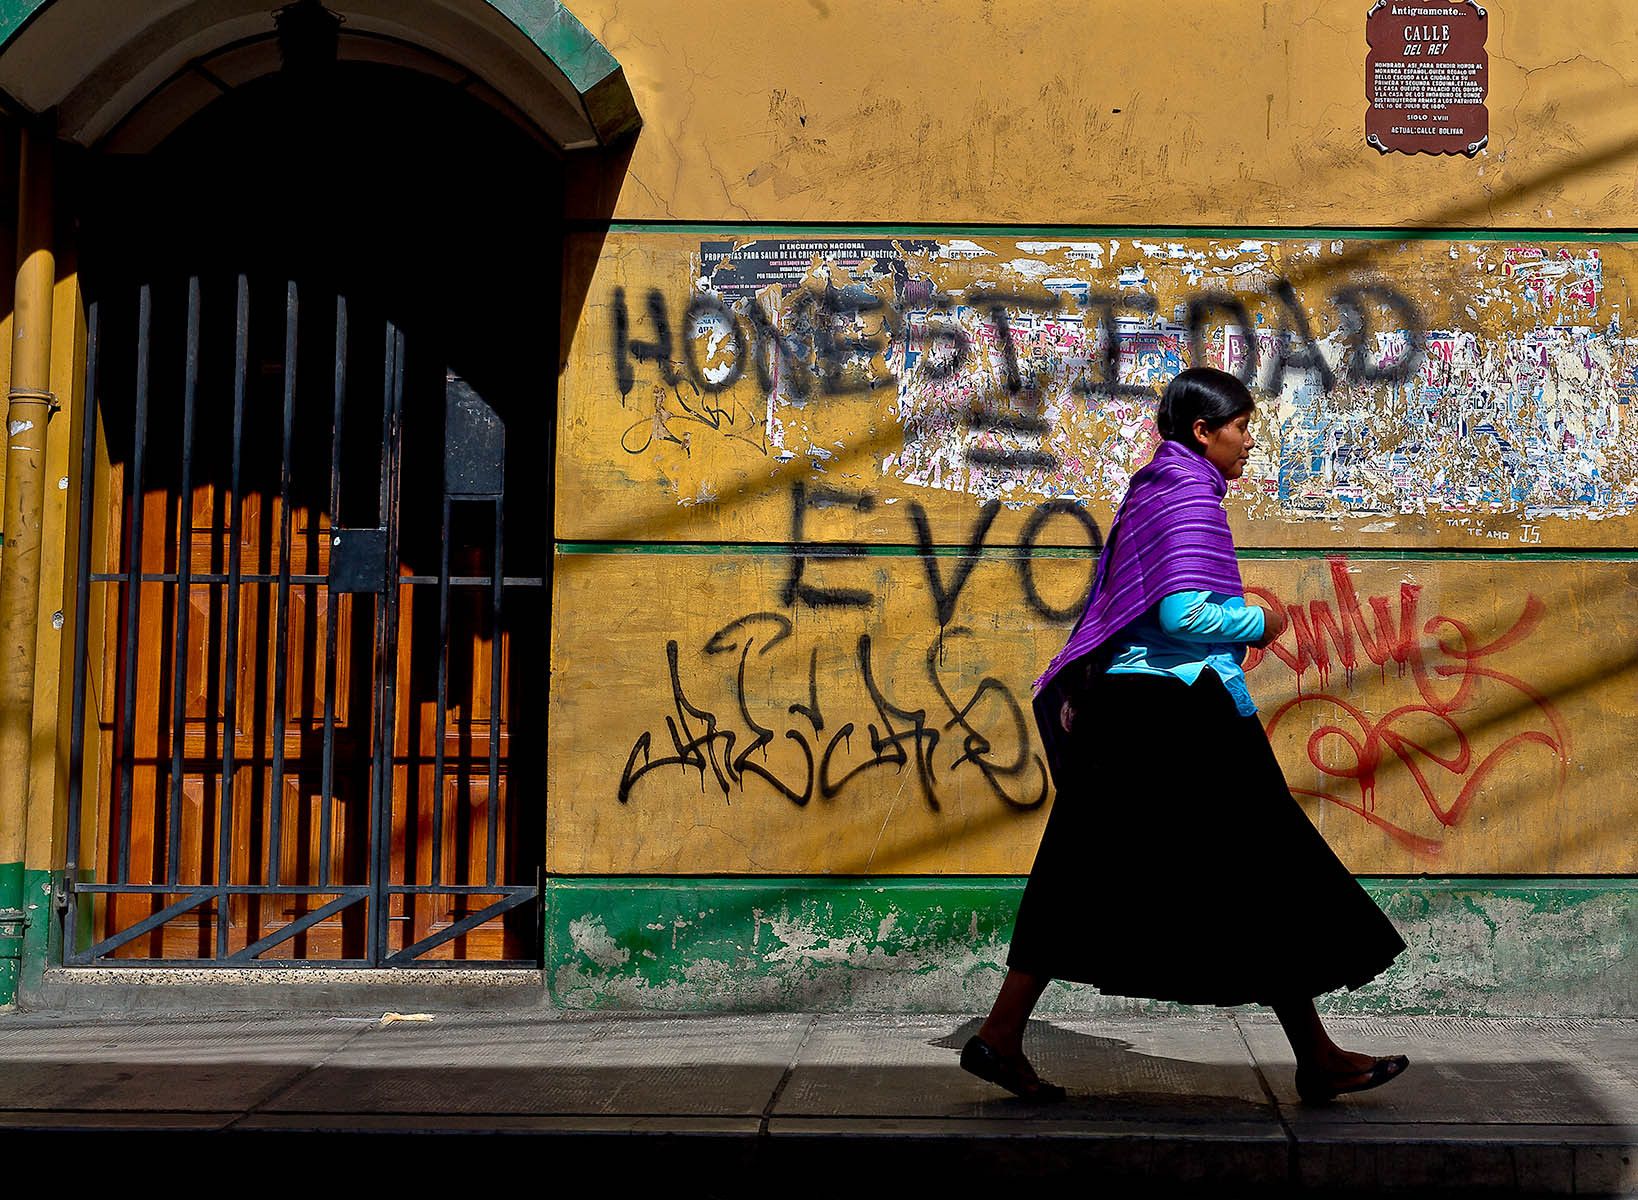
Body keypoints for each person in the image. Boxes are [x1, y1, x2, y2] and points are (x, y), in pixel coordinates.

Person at [962, 367, 1409, 1105]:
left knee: (1093, 868)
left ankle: (1002, 1034)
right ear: (1204, 431)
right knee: (1266, 867)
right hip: (1179, 711)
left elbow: (1119, 601)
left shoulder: (1151, 491)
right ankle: (1317, 1056)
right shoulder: (1191, 496)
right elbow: (1178, 616)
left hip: (1132, 708)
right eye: (1241, 428)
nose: (1249, 442)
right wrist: (1261, 621)